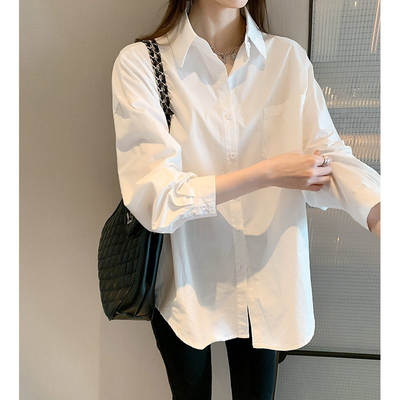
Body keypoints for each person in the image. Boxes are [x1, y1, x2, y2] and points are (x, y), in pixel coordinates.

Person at [111, 0, 381, 398]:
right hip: (186, 278)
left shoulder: (286, 60)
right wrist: (267, 172)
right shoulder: (142, 64)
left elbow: (327, 156)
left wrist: (377, 209)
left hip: (266, 274)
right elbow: (153, 196)